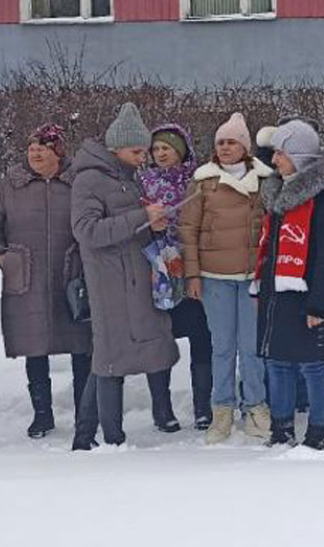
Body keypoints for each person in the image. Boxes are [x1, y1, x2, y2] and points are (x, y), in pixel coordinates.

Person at [70, 103, 180, 449]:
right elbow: (86, 231)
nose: (142, 157)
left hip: (132, 279)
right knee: (109, 358)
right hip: (110, 283)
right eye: (137, 151)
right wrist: (140, 218)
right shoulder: (90, 180)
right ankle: (110, 437)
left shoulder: (124, 178)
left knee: (111, 355)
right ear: (116, 148)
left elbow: (131, 223)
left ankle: (86, 434)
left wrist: (152, 223)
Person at [0, 123, 93, 440]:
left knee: (81, 345)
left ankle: (85, 414)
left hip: (71, 274)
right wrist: (0, 256)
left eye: (42, 149)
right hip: (26, 275)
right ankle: (41, 414)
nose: (36, 154)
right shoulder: (10, 184)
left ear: (58, 152)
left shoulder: (79, 182)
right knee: (34, 346)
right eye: (32, 149)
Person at [179, 113, 274, 444]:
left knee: (252, 347)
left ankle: (256, 407)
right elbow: (188, 229)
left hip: (252, 277)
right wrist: (192, 274)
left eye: (231, 141)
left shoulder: (264, 181)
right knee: (222, 347)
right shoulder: (203, 181)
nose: (225, 147)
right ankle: (221, 410)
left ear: (245, 147)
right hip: (214, 277)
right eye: (220, 142)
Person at [255, 120, 324, 451]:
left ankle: (318, 432)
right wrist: (260, 289)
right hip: (276, 292)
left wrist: (318, 303)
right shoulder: (277, 191)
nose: (274, 160)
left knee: (312, 364)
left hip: (307, 294)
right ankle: (281, 429)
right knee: (277, 362)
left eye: (280, 153)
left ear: (299, 155)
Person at [138, 123, 214, 433]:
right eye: (155, 149)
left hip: (194, 265)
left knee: (202, 337)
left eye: (166, 148)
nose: (160, 154)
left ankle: (203, 407)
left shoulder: (198, 181)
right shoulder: (142, 182)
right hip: (157, 271)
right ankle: (162, 408)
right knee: (159, 339)